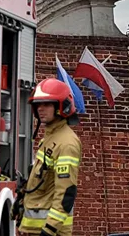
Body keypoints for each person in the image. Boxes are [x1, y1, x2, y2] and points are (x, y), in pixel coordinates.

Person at [18, 78, 82, 236]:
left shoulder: (66, 143)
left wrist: (49, 229)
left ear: (62, 107)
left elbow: (66, 192)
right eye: (38, 105)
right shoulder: (49, 139)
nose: (40, 109)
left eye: (46, 104)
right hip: (35, 230)